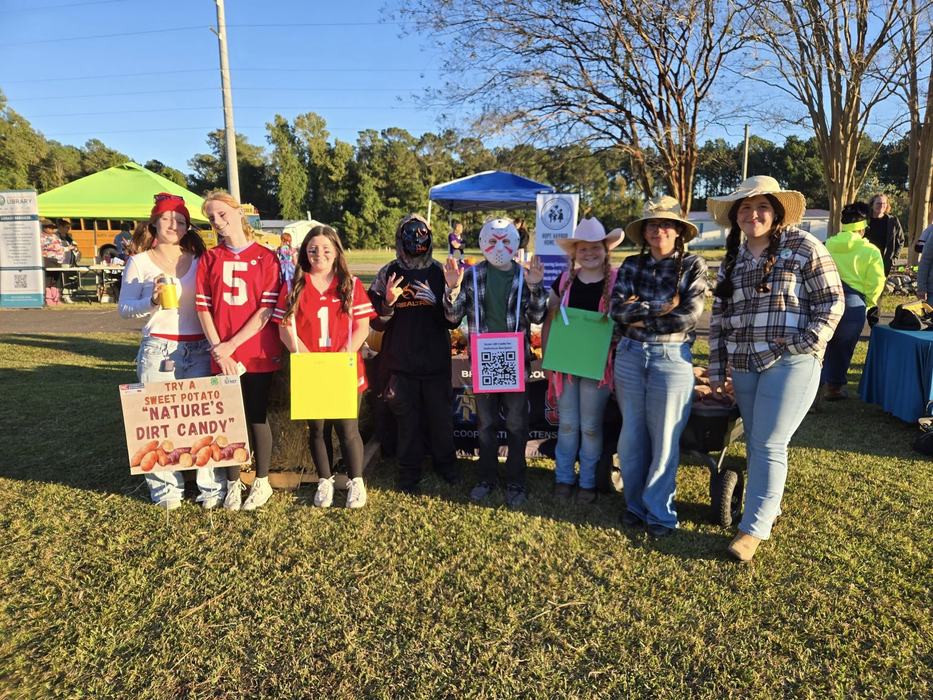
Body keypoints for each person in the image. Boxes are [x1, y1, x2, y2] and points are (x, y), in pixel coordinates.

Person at [707, 176, 844, 562]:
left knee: (769, 443)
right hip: (744, 362)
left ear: (778, 213)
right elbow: (718, 318)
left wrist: (803, 342)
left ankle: (753, 529)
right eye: (745, 208)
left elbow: (832, 302)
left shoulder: (803, 245)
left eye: (762, 207)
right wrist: (717, 369)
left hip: (791, 362)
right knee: (755, 441)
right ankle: (767, 507)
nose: (753, 214)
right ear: (736, 216)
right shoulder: (732, 259)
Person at [117, 193, 225, 510]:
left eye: (179, 220)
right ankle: (167, 490)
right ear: (154, 223)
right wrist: (151, 301)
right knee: (157, 422)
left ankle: (211, 487)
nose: (172, 224)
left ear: (187, 226)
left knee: (204, 421)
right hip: (158, 348)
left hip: (200, 346)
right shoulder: (139, 262)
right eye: (166, 218)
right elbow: (124, 309)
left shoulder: (200, 259)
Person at [609, 196, 708, 537]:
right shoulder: (630, 265)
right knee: (631, 437)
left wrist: (640, 315)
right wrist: (662, 307)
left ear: (678, 231)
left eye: (666, 224)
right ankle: (635, 506)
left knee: (665, 438)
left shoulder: (693, 265)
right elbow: (616, 310)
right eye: (652, 224)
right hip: (630, 355)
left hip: (671, 357)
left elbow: (689, 316)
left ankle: (660, 513)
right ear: (644, 232)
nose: (659, 230)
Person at [443, 218, 547, 508]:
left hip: (515, 360)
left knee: (516, 424)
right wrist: (452, 289)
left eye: (505, 241)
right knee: (486, 423)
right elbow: (453, 318)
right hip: (484, 360)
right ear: (482, 243)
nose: (499, 247)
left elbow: (538, 316)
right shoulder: (473, 276)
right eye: (492, 241)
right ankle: (486, 477)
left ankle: (516, 480)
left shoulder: (524, 276)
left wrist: (536, 288)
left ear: (515, 243)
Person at [274, 225, 376, 508]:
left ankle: (356, 481)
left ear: (336, 252)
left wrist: (342, 356)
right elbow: (284, 328)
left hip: (344, 365)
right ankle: (325, 480)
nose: (319, 254)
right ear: (304, 252)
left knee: (347, 428)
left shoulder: (350, 284)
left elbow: (362, 327)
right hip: (310, 365)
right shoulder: (294, 285)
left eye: (326, 249)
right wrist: (306, 356)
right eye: (313, 249)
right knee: (318, 429)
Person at [196, 190, 283, 512]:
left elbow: (266, 310)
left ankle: (261, 481)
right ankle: (233, 482)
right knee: (228, 419)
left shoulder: (267, 257)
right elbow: (203, 308)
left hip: (256, 350)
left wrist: (231, 346)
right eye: (211, 218)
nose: (218, 222)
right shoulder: (210, 258)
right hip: (221, 353)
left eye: (222, 214)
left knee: (256, 414)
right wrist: (219, 350)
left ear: (239, 213)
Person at [368, 213, 459, 493]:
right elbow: (376, 323)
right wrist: (388, 303)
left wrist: (452, 290)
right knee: (407, 422)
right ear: (400, 237)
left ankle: (446, 466)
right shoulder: (388, 273)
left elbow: (453, 321)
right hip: (400, 363)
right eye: (411, 233)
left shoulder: (441, 272)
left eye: (423, 234)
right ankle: (408, 471)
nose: (418, 239)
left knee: (440, 419)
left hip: (435, 362)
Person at [543, 216, 623, 503]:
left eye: (595, 247)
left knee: (590, 426)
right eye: (583, 249)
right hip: (565, 366)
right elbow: (550, 318)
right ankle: (564, 478)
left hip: (597, 367)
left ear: (605, 248)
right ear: (575, 252)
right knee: (567, 424)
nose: (589, 253)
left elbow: (624, 322)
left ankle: (587, 481)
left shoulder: (617, 281)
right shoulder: (565, 281)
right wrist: (548, 358)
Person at [821, 202, 885, 401]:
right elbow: (876, 282)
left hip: (825, 299)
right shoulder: (871, 250)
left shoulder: (826, 244)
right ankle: (834, 387)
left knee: (820, 344)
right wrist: (870, 303)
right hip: (853, 303)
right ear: (863, 228)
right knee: (843, 347)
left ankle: (813, 390)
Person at [866, 193, 904, 277]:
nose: (881, 206)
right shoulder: (865, 221)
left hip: (885, 262)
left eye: (884, 203)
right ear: (872, 205)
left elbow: (901, 241)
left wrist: (894, 258)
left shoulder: (893, 221)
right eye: (878, 203)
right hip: (866, 261)